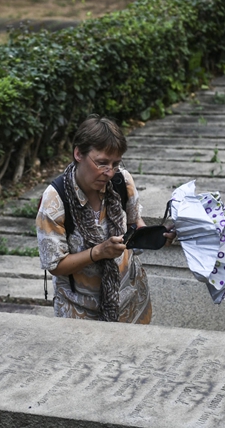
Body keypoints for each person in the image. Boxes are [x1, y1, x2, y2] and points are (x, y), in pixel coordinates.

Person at [36, 115, 174, 323]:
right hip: (80, 310)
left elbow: (135, 224)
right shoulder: (55, 201)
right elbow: (55, 265)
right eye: (101, 163)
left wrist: (156, 236)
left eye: (115, 163)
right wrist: (98, 252)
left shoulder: (122, 181)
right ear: (78, 154)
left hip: (130, 299)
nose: (109, 172)